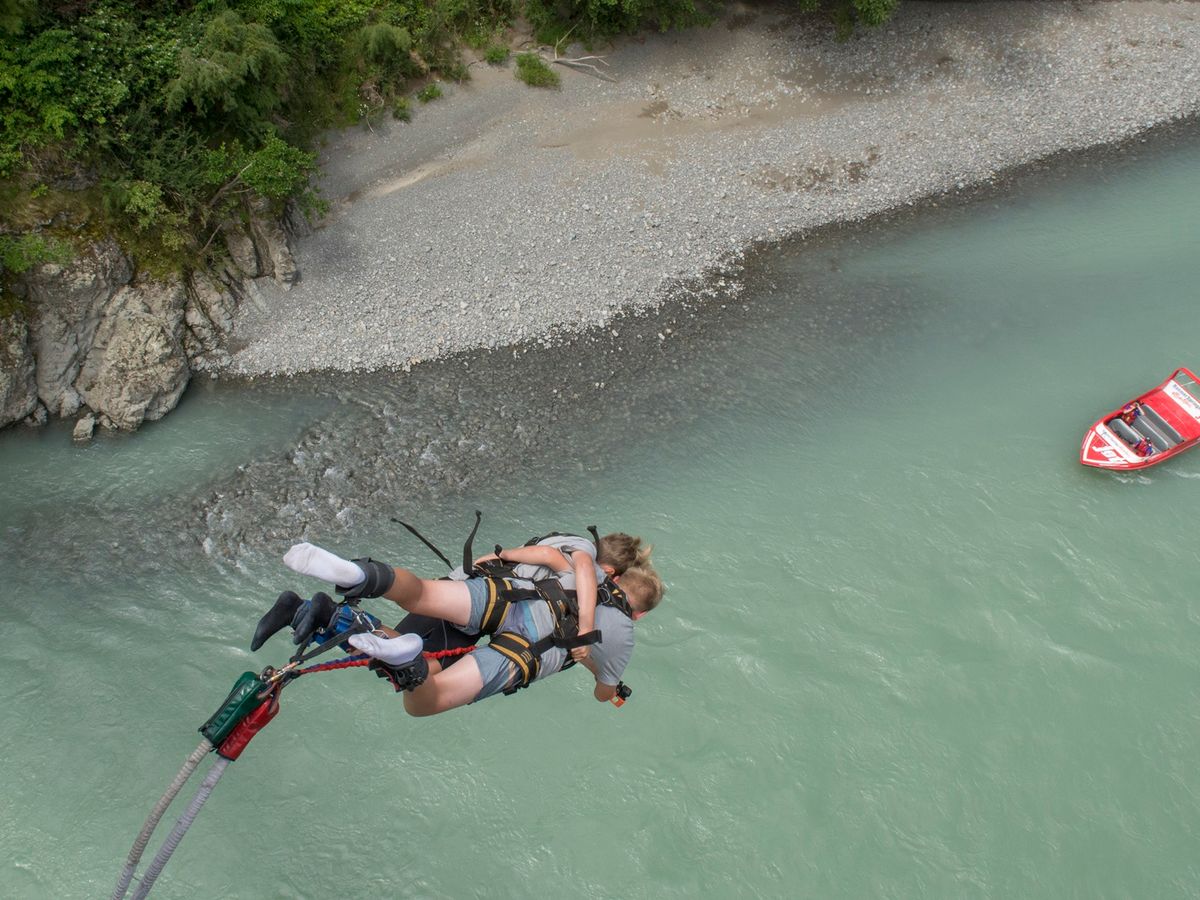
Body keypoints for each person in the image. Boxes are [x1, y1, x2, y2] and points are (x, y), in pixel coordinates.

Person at [254, 539, 664, 716]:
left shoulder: (587, 566)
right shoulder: (624, 635)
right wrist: (606, 679)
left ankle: (360, 574)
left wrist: (494, 556)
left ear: (617, 578)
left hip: (509, 593)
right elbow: (603, 691)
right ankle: (408, 662)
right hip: (527, 648)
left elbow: (547, 556)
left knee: (421, 595)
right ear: (640, 614)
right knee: (424, 700)